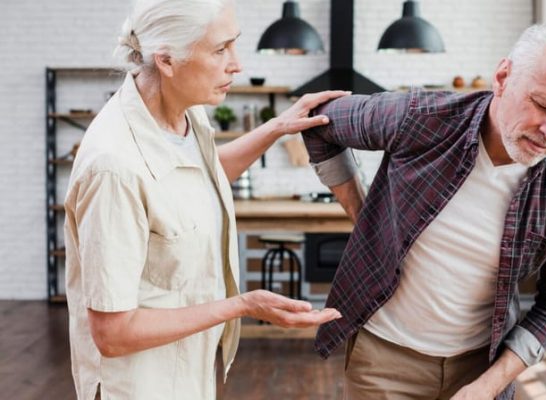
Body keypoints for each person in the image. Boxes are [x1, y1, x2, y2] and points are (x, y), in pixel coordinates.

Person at [302, 24, 546, 400]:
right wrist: (362, 214)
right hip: (382, 360)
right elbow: (318, 120)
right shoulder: (421, 117)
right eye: (545, 105)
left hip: (479, 368)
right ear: (503, 77)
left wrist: (487, 386)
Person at [63, 1, 347, 399]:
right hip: (138, 387)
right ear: (166, 61)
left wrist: (277, 128)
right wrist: (242, 305)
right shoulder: (113, 168)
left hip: (186, 373)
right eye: (220, 50)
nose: (236, 64)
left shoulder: (186, 116)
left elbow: (201, 177)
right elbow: (112, 333)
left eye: (234, 45)